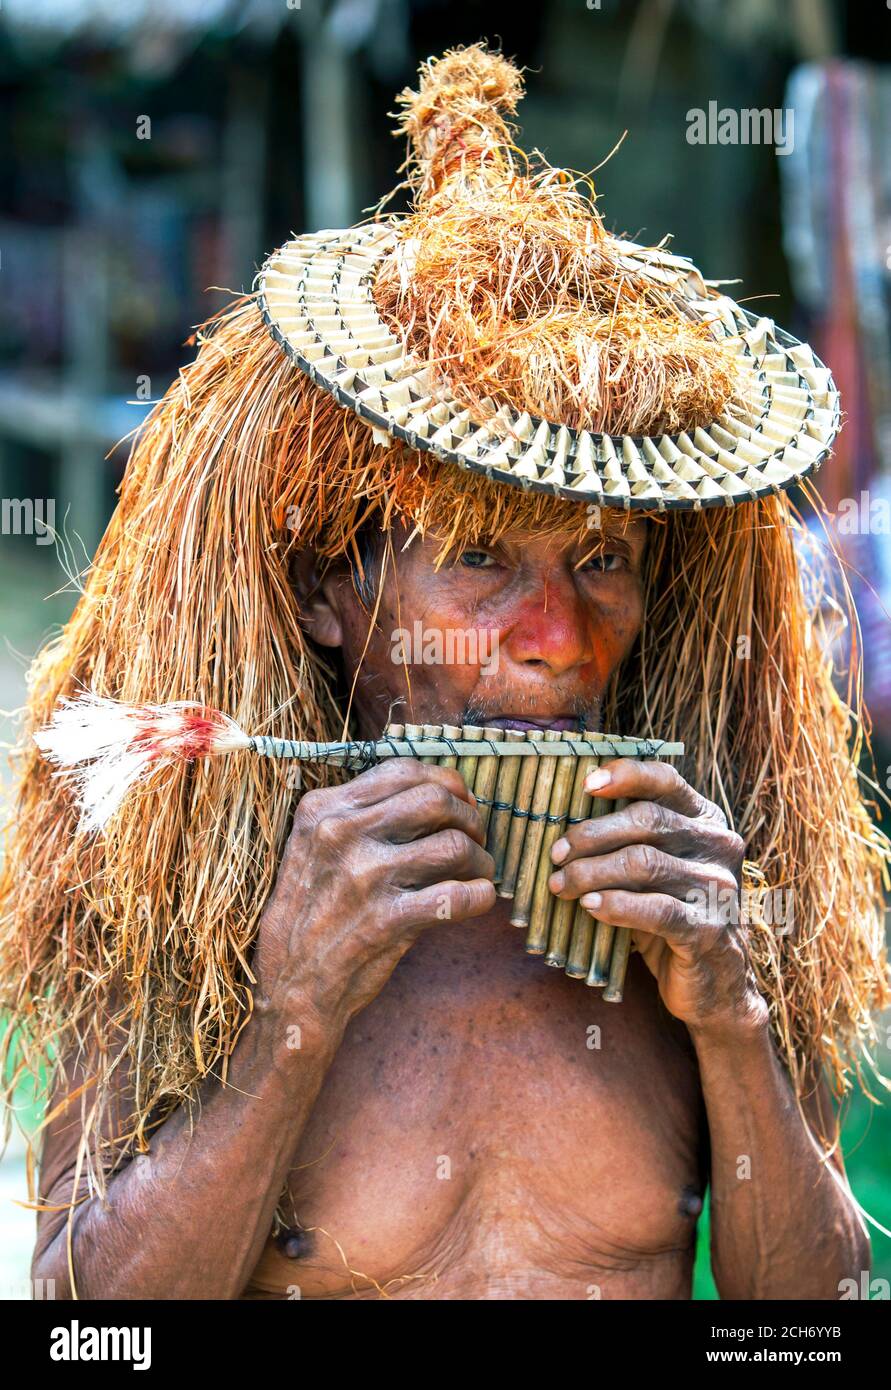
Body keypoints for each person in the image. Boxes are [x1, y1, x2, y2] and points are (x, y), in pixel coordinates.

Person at [2, 45, 888, 1301]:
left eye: (601, 560)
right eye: (478, 559)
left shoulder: (706, 882)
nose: (559, 637)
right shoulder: (185, 883)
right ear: (324, 591)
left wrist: (734, 1020)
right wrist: (290, 1021)